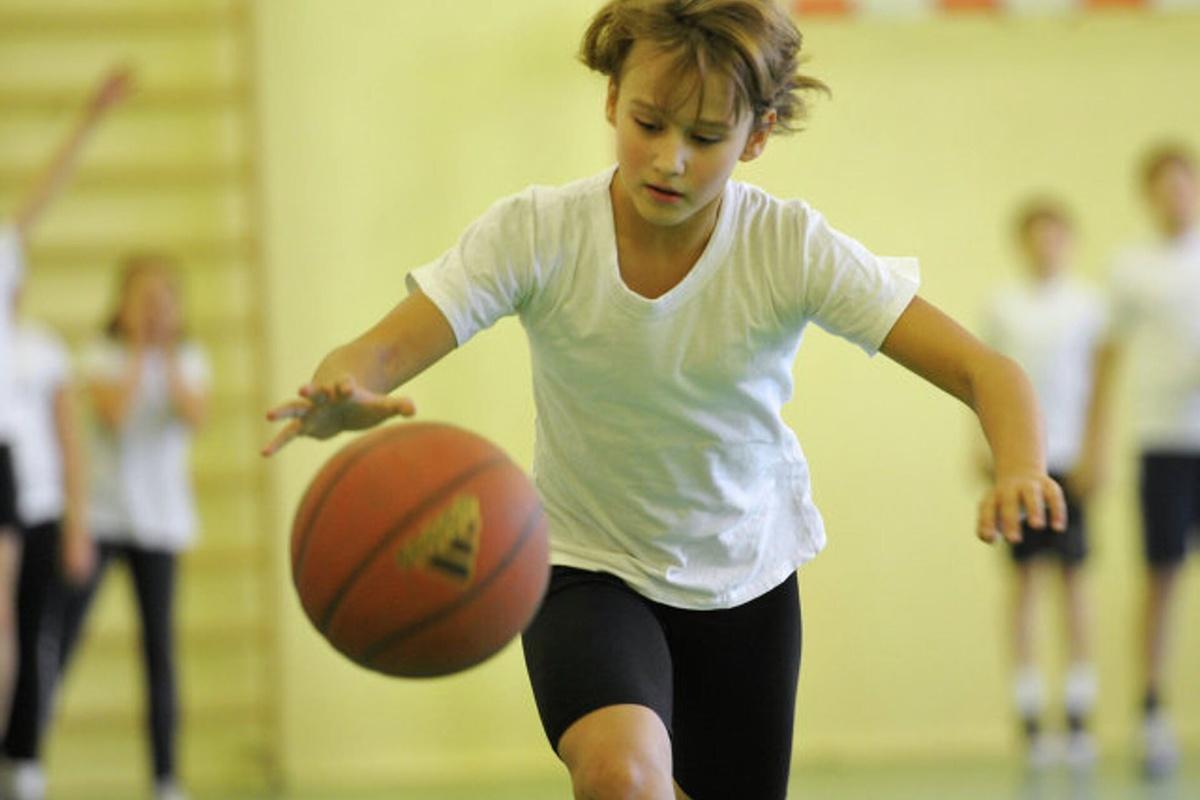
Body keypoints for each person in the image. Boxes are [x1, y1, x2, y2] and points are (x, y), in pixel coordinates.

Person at [263, 2, 1066, 797]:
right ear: (612, 98)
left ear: (756, 136)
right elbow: (380, 348)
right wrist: (346, 386)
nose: (670, 159)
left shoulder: (788, 248)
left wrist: (1021, 466)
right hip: (586, 567)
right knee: (623, 778)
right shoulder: (538, 233)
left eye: (707, 138)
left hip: (744, 581)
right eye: (648, 123)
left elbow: (984, 370)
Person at [0, 65, 130, 767]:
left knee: (16, 628)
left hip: (23, 486)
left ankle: (20, 763)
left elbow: (39, 194)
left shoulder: (37, 344)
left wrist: (88, 116)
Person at [54, 255, 209, 800]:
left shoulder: (190, 360)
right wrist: (141, 351)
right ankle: (22, 754)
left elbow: (194, 415)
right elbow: (115, 415)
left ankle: (166, 779)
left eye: (163, 301)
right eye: (142, 301)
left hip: (161, 527)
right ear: (120, 305)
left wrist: (165, 354)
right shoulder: (100, 356)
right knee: (61, 639)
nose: (152, 311)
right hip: (101, 520)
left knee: (159, 651)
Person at [979, 201, 1107, 771]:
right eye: (1036, 237)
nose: (1045, 246)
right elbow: (983, 380)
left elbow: (1102, 386)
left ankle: (1078, 717)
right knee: (1025, 583)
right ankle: (1030, 721)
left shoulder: (1089, 306)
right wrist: (990, 450)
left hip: (1071, 463)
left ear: (1068, 241)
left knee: (1074, 585)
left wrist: (1097, 452)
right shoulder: (1003, 307)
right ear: (1022, 242)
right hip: (1020, 463)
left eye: (1055, 237)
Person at [1087, 144, 1200, 780]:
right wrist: (1096, 444)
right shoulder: (1130, 269)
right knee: (1162, 575)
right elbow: (1106, 362)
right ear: (1149, 195)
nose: (1174, 196)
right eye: (1162, 187)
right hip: (1162, 444)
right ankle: (1152, 713)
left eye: (1183, 185)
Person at [0, 301, 90, 800]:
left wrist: (78, 523)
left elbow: (69, 439)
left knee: (34, 638)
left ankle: (25, 757)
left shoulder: (41, 348)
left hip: (39, 511)